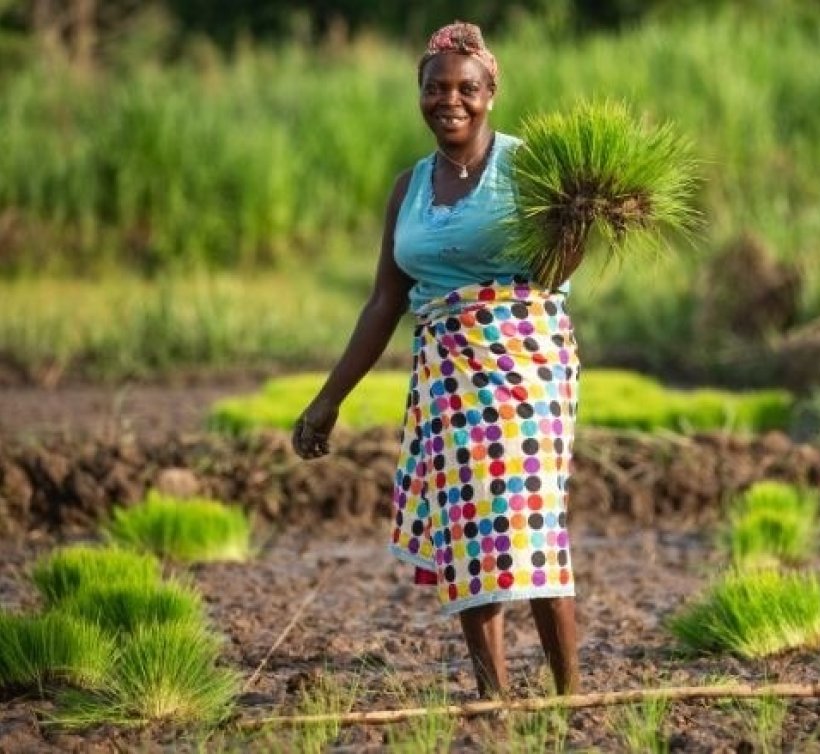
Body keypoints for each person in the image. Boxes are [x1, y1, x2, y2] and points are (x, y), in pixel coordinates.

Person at [291, 21, 581, 700]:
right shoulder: (409, 188)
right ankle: (495, 698)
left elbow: (555, 267)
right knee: (469, 529)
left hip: (524, 364)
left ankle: (572, 697)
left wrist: (582, 222)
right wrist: (327, 399)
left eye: (467, 88)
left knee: (528, 518)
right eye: (435, 87)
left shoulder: (529, 166)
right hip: (446, 372)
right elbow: (384, 302)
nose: (450, 100)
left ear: (490, 94)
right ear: (419, 92)